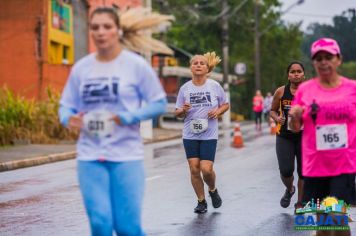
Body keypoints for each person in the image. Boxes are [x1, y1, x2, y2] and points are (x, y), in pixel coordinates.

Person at [58, 7, 167, 236]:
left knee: (127, 228)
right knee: (100, 223)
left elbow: (159, 103)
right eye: (95, 27)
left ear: (117, 30)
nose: (101, 32)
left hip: (126, 156)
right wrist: (69, 118)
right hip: (90, 157)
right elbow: (65, 105)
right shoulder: (82, 68)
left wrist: (126, 117)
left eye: (107, 26)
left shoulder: (135, 66)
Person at [289, 38, 356, 236]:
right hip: (316, 165)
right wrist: (296, 117)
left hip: (344, 163)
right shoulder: (305, 90)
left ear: (338, 60)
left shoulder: (352, 89)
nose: (324, 62)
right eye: (319, 59)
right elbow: (295, 129)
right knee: (322, 222)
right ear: (314, 63)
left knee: (337, 217)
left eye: (329, 57)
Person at [175, 52, 229, 213]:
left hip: (209, 134)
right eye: (195, 63)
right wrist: (183, 110)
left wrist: (218, 112)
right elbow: (177, 112)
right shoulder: (185, 88)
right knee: (193, 168)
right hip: (190, 134)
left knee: (206, 169)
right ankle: (201, 201)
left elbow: (225, 104)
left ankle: (212, 190)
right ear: (191, 67)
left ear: (207, 68)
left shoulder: (214, 86)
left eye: (202, 63)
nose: (198, 65)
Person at [270, 61, 305, 212]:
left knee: (303, 172)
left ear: (304, 74)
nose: (296, 74)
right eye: (292, 71)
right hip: (284, 136)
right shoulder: (281, 91)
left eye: (299, 71)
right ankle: (290, 189)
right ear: (288, 75)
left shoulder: (310, 92)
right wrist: (277, 118)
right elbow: (272, 110)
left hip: (305, 136)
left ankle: (300, 203)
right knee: (286, 170)